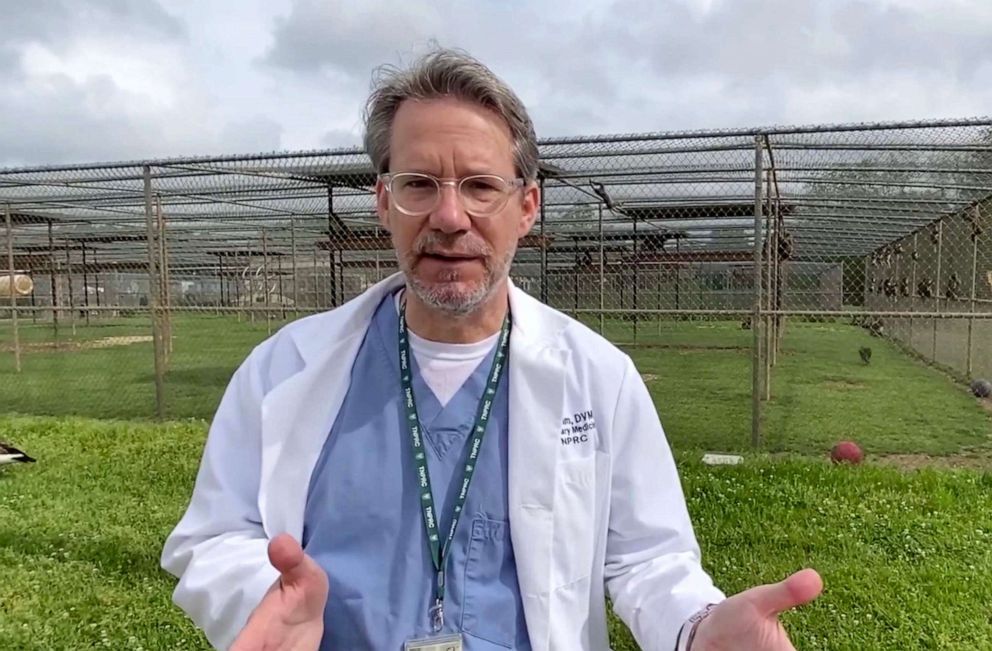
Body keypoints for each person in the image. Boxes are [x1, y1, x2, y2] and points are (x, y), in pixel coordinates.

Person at [161, 48, 822, 651]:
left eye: (481, 186)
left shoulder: (597, 377)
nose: (450, 216)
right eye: (420, 184)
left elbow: (649, 557)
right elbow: (213, 537)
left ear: (527, 206)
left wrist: (699, 628)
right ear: (383, 202)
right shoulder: (283, 371)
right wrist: (264, 597)